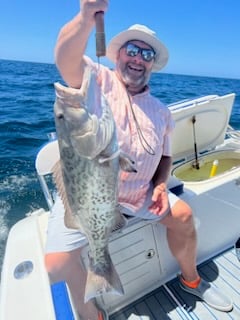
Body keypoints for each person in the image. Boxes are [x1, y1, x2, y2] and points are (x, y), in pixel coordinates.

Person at [45, 0, 233, 319]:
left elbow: (166, 156)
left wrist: (160, 186)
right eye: (132, 50)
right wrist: (85, 17)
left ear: (152, 64)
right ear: (118, 54)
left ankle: (191, 280)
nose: (138, 58)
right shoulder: (98, 82)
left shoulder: (160, 111)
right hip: (89, 196)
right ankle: (92, 312)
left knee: (184, 217)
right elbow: (66, 61)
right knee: (56, 264)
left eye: (147, 54)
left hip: (140, 195)